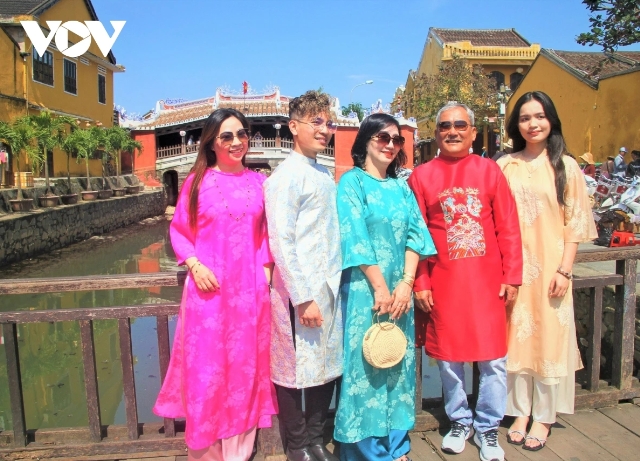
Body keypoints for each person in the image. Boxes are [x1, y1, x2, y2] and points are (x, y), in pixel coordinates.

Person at [154, 109, 278, 460]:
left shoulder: (259, 184)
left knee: (244, 371)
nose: (237, 142)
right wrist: (193, 264)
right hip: (207, 297)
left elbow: (267, 236)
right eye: (227, 136)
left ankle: (239, 453)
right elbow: (180, 230)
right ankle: (207, 454)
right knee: (208, 374)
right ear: (212, 142)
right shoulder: (197, 182)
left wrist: (265, 273)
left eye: (242, 134)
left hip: (249, 296)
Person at [408, 102, 523, 461]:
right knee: (449, 358)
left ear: (472, 132)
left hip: (488, 283)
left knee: (493, 359)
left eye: (460, 125)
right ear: (437, 132)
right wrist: (421, 282)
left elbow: (508, 227)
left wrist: (513, 276)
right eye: (445, 126)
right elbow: (416, 236)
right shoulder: (422, 176)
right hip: (443, 282)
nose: (452, 131)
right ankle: (459, 419)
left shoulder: (489, 171)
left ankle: (488, 428)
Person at [497, 91, 597, 452]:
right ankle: (519, 412)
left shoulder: (565, 167)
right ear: (516, 124)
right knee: (516, 338)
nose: (532, 124)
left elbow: (575, 224)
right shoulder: (504, 164)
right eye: (525, 118)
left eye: (539, 116)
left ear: (551, 120)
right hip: (513, 270)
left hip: (552, 269)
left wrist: (565, 271)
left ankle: (544, 415)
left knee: (549, 339)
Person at [334, 113, 437, 461]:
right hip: (366, 290)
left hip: (400, 292)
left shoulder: (400, 187)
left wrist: (406, 283)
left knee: (397, 362)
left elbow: (415, 235)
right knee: (366, 363)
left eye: (396, 140)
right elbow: (355, 238)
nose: (390, 145)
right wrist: (380, 287)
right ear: (364, 141)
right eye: (382, 137)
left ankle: (396, 445)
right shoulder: (352, 183)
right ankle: (367, 450)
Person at [264, 90, 342, 461]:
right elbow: (281, 241)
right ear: (294, 126)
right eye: (316, 122)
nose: (324, 129)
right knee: (294, 371)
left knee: (327, 365)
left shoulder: (323, 172)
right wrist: (302, 296)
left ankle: (315, 438)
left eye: (327, 122)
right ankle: (296, 445)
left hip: (328, 287)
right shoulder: (285, 176)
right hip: (301, 292)